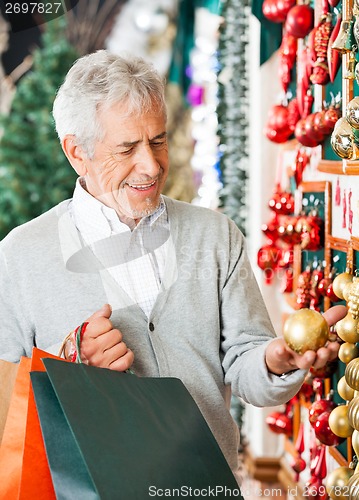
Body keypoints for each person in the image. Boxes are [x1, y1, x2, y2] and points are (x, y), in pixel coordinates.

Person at [0, 50, 345, 478]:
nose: (150, 165)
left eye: (157, 140)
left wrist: (276, 361)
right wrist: (70, 365)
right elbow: (5, 404)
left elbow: (246, 363)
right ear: (76, 153)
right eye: (127, 148)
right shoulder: (21, 254)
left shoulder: (215, 236)